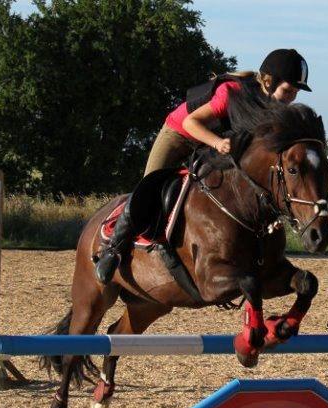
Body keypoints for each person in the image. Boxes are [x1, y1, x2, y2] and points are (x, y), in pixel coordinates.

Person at [94, 48, 312, 284]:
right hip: (180, 135)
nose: (291, 98)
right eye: (288, 90)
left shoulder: (270, 104)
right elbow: (191, 122)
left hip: (211, 145)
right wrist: (218, 143)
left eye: (295, 93)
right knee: (148, 187)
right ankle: (113, 250)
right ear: (268, 82)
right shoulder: (231, 92)